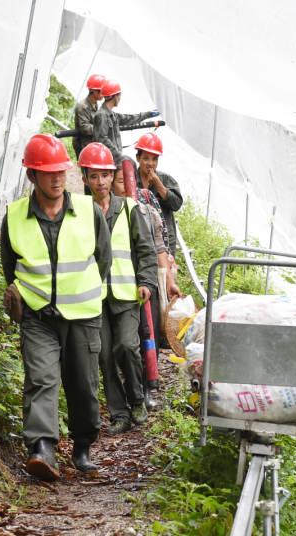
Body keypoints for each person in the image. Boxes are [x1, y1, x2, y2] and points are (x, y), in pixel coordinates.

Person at [0, 134, 111, 481]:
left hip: (82, 315)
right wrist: (32, 298)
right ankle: (42, 449)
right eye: (48, 172)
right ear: (32, 176)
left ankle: (82, 446)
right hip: (38, 316)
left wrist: (78, 291)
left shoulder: (88, 212)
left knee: (82, 384)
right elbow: (10, 267)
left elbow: (102, 260)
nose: (58, 178)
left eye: (61, 170)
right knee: (41, 379)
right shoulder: (15, 216)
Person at [80, 142, 158, 434]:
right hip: (94, 296)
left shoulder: (128, 208)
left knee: (126, 346)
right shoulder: (80, 212)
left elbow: (146, 249)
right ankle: (118, 414)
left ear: (113, 176)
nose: (100, 182)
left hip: (126, 294)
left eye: (105, 175)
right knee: (104, 355)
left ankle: (137, 398)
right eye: (94, 176)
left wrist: (146, 282)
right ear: (85, 178)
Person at [113, 161, 181, 408]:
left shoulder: (147, 209)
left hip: (145, 282)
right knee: (124, 342)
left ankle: (149, 386)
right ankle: (131, 387)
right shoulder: (104, 212)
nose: (125, 186)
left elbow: (160, 248)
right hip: (118, 285)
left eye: (125, 181)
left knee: (147, 333)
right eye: (120, 181)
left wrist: (169, 282)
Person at [134, 132, 183, 256]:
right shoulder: (131, 179)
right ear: (138, 158)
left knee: (164, 273)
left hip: (164, 241)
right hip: (139, 238)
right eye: (146, 158)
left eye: (154, 159)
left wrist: (159, 185)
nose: (150, 163)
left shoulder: (165, 179)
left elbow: (176, 204)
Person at [93, 79, 159, 165]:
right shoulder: (101, 115)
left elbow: (129, 119)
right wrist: (118, 155)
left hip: (113, 159)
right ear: (115, 96)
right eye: (119, 95)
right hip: (107, 160)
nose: (120, 98)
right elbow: (102, 139)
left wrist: (148, 114)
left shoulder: (112, 114)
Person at [73, 74, 106, 159]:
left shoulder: (95, 104)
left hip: (91, 143)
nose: (103, 94)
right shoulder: (82, 106)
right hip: (83, 144)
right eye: (101, 91)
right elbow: (85, 128)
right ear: (93, 91)